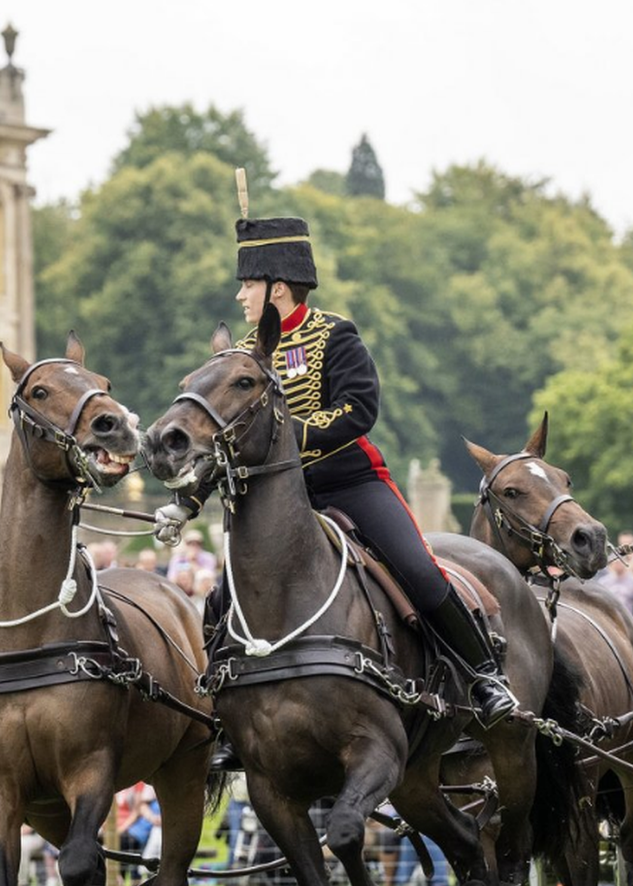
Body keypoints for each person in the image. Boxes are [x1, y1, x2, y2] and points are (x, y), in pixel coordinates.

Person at [153, 211, 516, 726]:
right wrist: (187, 502)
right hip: (276, 500)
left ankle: (485, 678)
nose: (240, 297)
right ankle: (222, 707)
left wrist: (288, 435)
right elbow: (224, 438)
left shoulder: (334, 335)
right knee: (223, 597)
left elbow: (359, 408)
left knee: (417, 569)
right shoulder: (238, 358)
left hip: (348, 482)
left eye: (248, 285)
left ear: (278, 288)